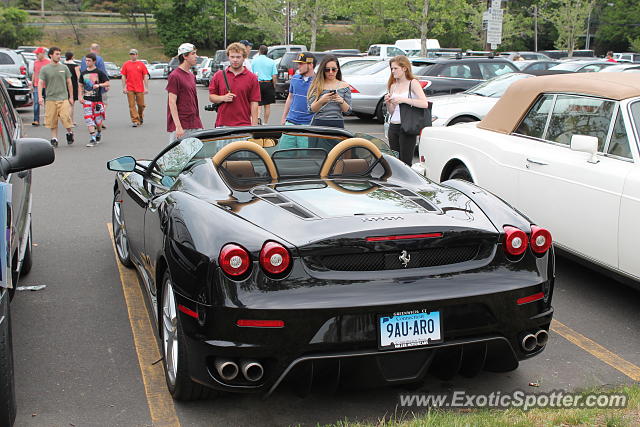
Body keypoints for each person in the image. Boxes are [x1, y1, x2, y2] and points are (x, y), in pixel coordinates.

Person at [384, 55, 429, 165]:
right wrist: (388, 103)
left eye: (395, 68)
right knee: (395, 160)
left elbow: (424, 103)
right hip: (393, 126)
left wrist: (403, 100)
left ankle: (407, 182)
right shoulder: (393, 85)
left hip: (407, 126)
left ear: (404, 68)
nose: (393, 71)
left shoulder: (412, 83)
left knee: (405, 161)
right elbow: (392, 112)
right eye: (391, 69)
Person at [209, 42, 260, 127]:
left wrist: (254, 125)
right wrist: (223, 98)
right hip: (222, 125)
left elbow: (254, 102)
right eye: (232, 57)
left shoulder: (252, 78)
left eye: (238, 57)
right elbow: (211, 97)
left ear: (244, 58)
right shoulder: (219, 75)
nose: (235, 60)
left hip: (243, 125)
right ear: (228, 57)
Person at [166, 43, 203, 142]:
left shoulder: (191, 75)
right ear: (185, 56)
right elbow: (172, 102)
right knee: (177, 156)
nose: (196, 56)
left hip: (194, 124)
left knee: (195, 155)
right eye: (193, 54)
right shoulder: (175, 76)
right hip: (181, 126)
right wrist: (178, 126)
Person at [38, 47, 74, 147]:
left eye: (59, 54)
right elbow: (40, 82)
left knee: (65, 117)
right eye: (57, 54)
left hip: (63, 98)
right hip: (50, 98)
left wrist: (71, 96)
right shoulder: (45, 69)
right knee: (52, 120)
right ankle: (54, 138)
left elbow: (69, 82)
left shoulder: (64, 68)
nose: (59, 56)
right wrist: (40, 97)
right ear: (51, 55)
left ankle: (69, 133)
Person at [279, 52, 316, 148]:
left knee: (304, 156)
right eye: (298, 63)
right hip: (290, 123)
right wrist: (284, 117)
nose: (298, 66)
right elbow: (290, 97)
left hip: (308, 125)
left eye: (301, 64)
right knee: (283, 154)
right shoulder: (295, 78)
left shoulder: (318, 82)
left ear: (311, 65)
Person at [307, 54, 352, 129]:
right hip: (319, 123)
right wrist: (321, 101)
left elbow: (348, 111)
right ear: (323, 70)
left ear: (338, 69)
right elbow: (311, 110)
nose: (331, 72)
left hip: (337, 124)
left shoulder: (345, 86)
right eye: (327, 69)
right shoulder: (316, 85)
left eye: (333, 69)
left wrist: (341, 101)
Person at [79, 53, 109, 147]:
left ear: (94, 61)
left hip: (97, 100)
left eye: (89, 61)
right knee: (88, 119)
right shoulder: (83, 73)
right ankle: (92, 138)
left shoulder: (99, 72)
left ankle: (99, 131)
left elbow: (107, 83)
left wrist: (99, 85)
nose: (87, 62)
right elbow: (80, 85)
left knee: (98, 120)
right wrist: (80, 96)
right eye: (86, 60)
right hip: (87, 100)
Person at [121, 48, 149, 127]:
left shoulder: (141, 64)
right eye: (131, 54)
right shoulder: (126, 64)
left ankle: (140, 116)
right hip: (130, 88)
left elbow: (145, 75)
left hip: (140, 88)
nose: (132, 56)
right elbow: (123, 76)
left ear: (137, 55)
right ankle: (135, 120)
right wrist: (124, 87)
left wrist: (146, 87)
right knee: (132, 105)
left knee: (141, 105)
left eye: (134, 54)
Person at [252, 45, 277, 124]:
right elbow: (274, 76)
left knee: (258, 104)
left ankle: (257, 119)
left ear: (259, 51)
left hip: (257, 83)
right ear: (267, 52)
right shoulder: (271, 62)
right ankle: (265, 123)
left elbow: (251, 74)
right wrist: (274, 85)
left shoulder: (254, 61)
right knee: (267, 105)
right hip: (268, 83)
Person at [32, 46, 50, 126]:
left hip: (46, 85)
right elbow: (34, 73)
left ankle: (47, 120)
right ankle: (36, 120)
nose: (36, 55)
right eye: (36, 54)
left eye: (37, 54)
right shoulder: (35, 62)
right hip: (36, 85)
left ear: (42, 54)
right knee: (36, 102)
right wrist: (32, 83)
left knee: (47, 103)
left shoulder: (48, 62)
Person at [63, 51, 80, 125]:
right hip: (73, 84)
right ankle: (71, 120)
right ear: (72, 57)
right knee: (71, 103)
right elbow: (78, 76)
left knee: (66, 103)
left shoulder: (63, 65)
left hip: (64, 84)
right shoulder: (75, 65)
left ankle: (67, 119)